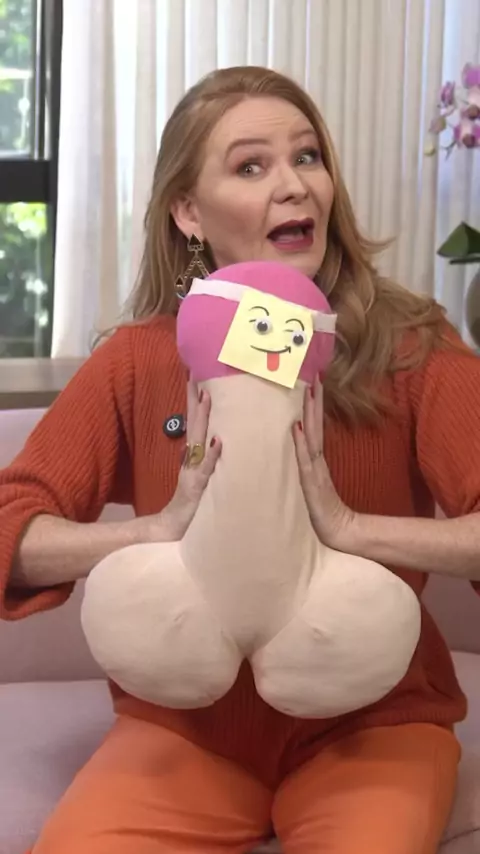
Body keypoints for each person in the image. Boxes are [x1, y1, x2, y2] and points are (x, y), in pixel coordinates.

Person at [1, 65, 479, 854]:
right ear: (189, 212)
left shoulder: (411, 345)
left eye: (307, 156)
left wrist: (352, 530)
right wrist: (151, 532)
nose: (294, 185)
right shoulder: (137, 359)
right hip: (185, 729)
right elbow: (10, 524)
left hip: (372, 725)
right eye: (251, 166)